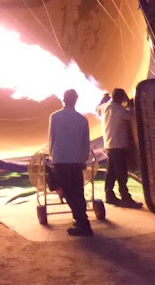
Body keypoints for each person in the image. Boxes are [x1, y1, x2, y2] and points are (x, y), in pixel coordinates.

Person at [48, 88, 93, 236]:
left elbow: (52, 139)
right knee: (78, 192)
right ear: (76, 100)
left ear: (63, 100)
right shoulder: (82, 120)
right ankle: (82, 221)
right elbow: (85, 142)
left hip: (61, 159)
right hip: (76, 160)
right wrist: (84, 159)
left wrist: (52, 156)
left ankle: (82, 223)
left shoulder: (54, 117)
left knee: (68, 192)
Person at [96, 88, 142, 208]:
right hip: (119, 145)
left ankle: (109, 195)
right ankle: (125, 197)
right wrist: (129, 102)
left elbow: (97, 108)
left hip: (110, 145)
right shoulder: (120, 110)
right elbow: (132, 115)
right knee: (121, 173)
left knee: (111, 172)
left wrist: (103, 99)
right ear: (121, 98)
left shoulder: (104, 107)